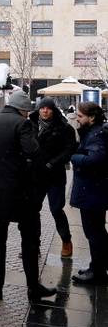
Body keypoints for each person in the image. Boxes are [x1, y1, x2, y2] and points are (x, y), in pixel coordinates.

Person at [0, 89, 57, 302]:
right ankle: (33, 288)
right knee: (29, 238)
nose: (28, 114)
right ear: (22, 110)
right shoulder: (22, 124)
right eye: (27, 111)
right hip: (21, 191)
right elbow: (32, 152)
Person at [29, 97, 77, 258]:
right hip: (36, 175)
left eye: (48, 108)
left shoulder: (64, 127)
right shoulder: (30, 124)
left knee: (56, 209)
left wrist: (52, 163)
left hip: (55, 175)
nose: (45, 111)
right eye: (42, 108)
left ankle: (66, 240)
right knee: (33, 210)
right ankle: (33, 245)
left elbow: (69, 150)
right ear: (38, 109)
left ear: (53, 110)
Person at [70, 101, 108, 286]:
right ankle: (97, 267)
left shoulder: (96, 135)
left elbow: (95, 160)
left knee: (94, 233)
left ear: (91, 117)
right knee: (96, 231)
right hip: (94, 191)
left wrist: (74, 156)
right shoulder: (95, 132)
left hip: (93, 192)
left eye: (80, 116)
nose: (77, 119)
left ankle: (98, 272)